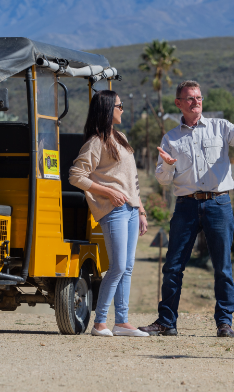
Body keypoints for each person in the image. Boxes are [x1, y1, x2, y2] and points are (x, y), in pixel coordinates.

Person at [138, 80, 234, 338]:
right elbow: (163, 179)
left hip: (218, 203)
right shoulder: (170, 138)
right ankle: (167, 322)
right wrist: (168, 165)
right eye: (189, 98)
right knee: (173, 266)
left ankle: (224, 323)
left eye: (198, 97)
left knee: (223, 266)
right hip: (186, 206)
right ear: (178, 103)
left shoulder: (220, 127)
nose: (196, 101)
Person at [69, 90, 150, 337]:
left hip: (131, 209)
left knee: (127, 266)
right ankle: (100, 323)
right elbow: (76, 176)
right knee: (117, 266)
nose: (122, 109)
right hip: (112, 210)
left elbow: (131, 179)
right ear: (107, 109)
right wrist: (107, 192)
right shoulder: (95, 142)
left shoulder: (121, 138)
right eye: (119, 105)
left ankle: (122, 322)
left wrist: (142, 209)